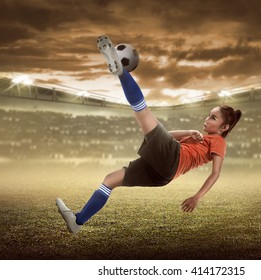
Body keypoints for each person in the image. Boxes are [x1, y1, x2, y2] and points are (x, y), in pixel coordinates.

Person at [56, 35, 242, 234]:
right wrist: (188, 132)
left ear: (224, 128)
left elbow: (215, 173)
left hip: (173, 159)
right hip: (164, 174)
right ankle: (78, 221)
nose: (207, 119)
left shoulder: (219, 142)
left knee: (142, 112)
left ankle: (120, 72)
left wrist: (197, 197)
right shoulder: (198, 138)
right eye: (208, 115)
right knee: (110, 180)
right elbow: (165, 135)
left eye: (213, 118)